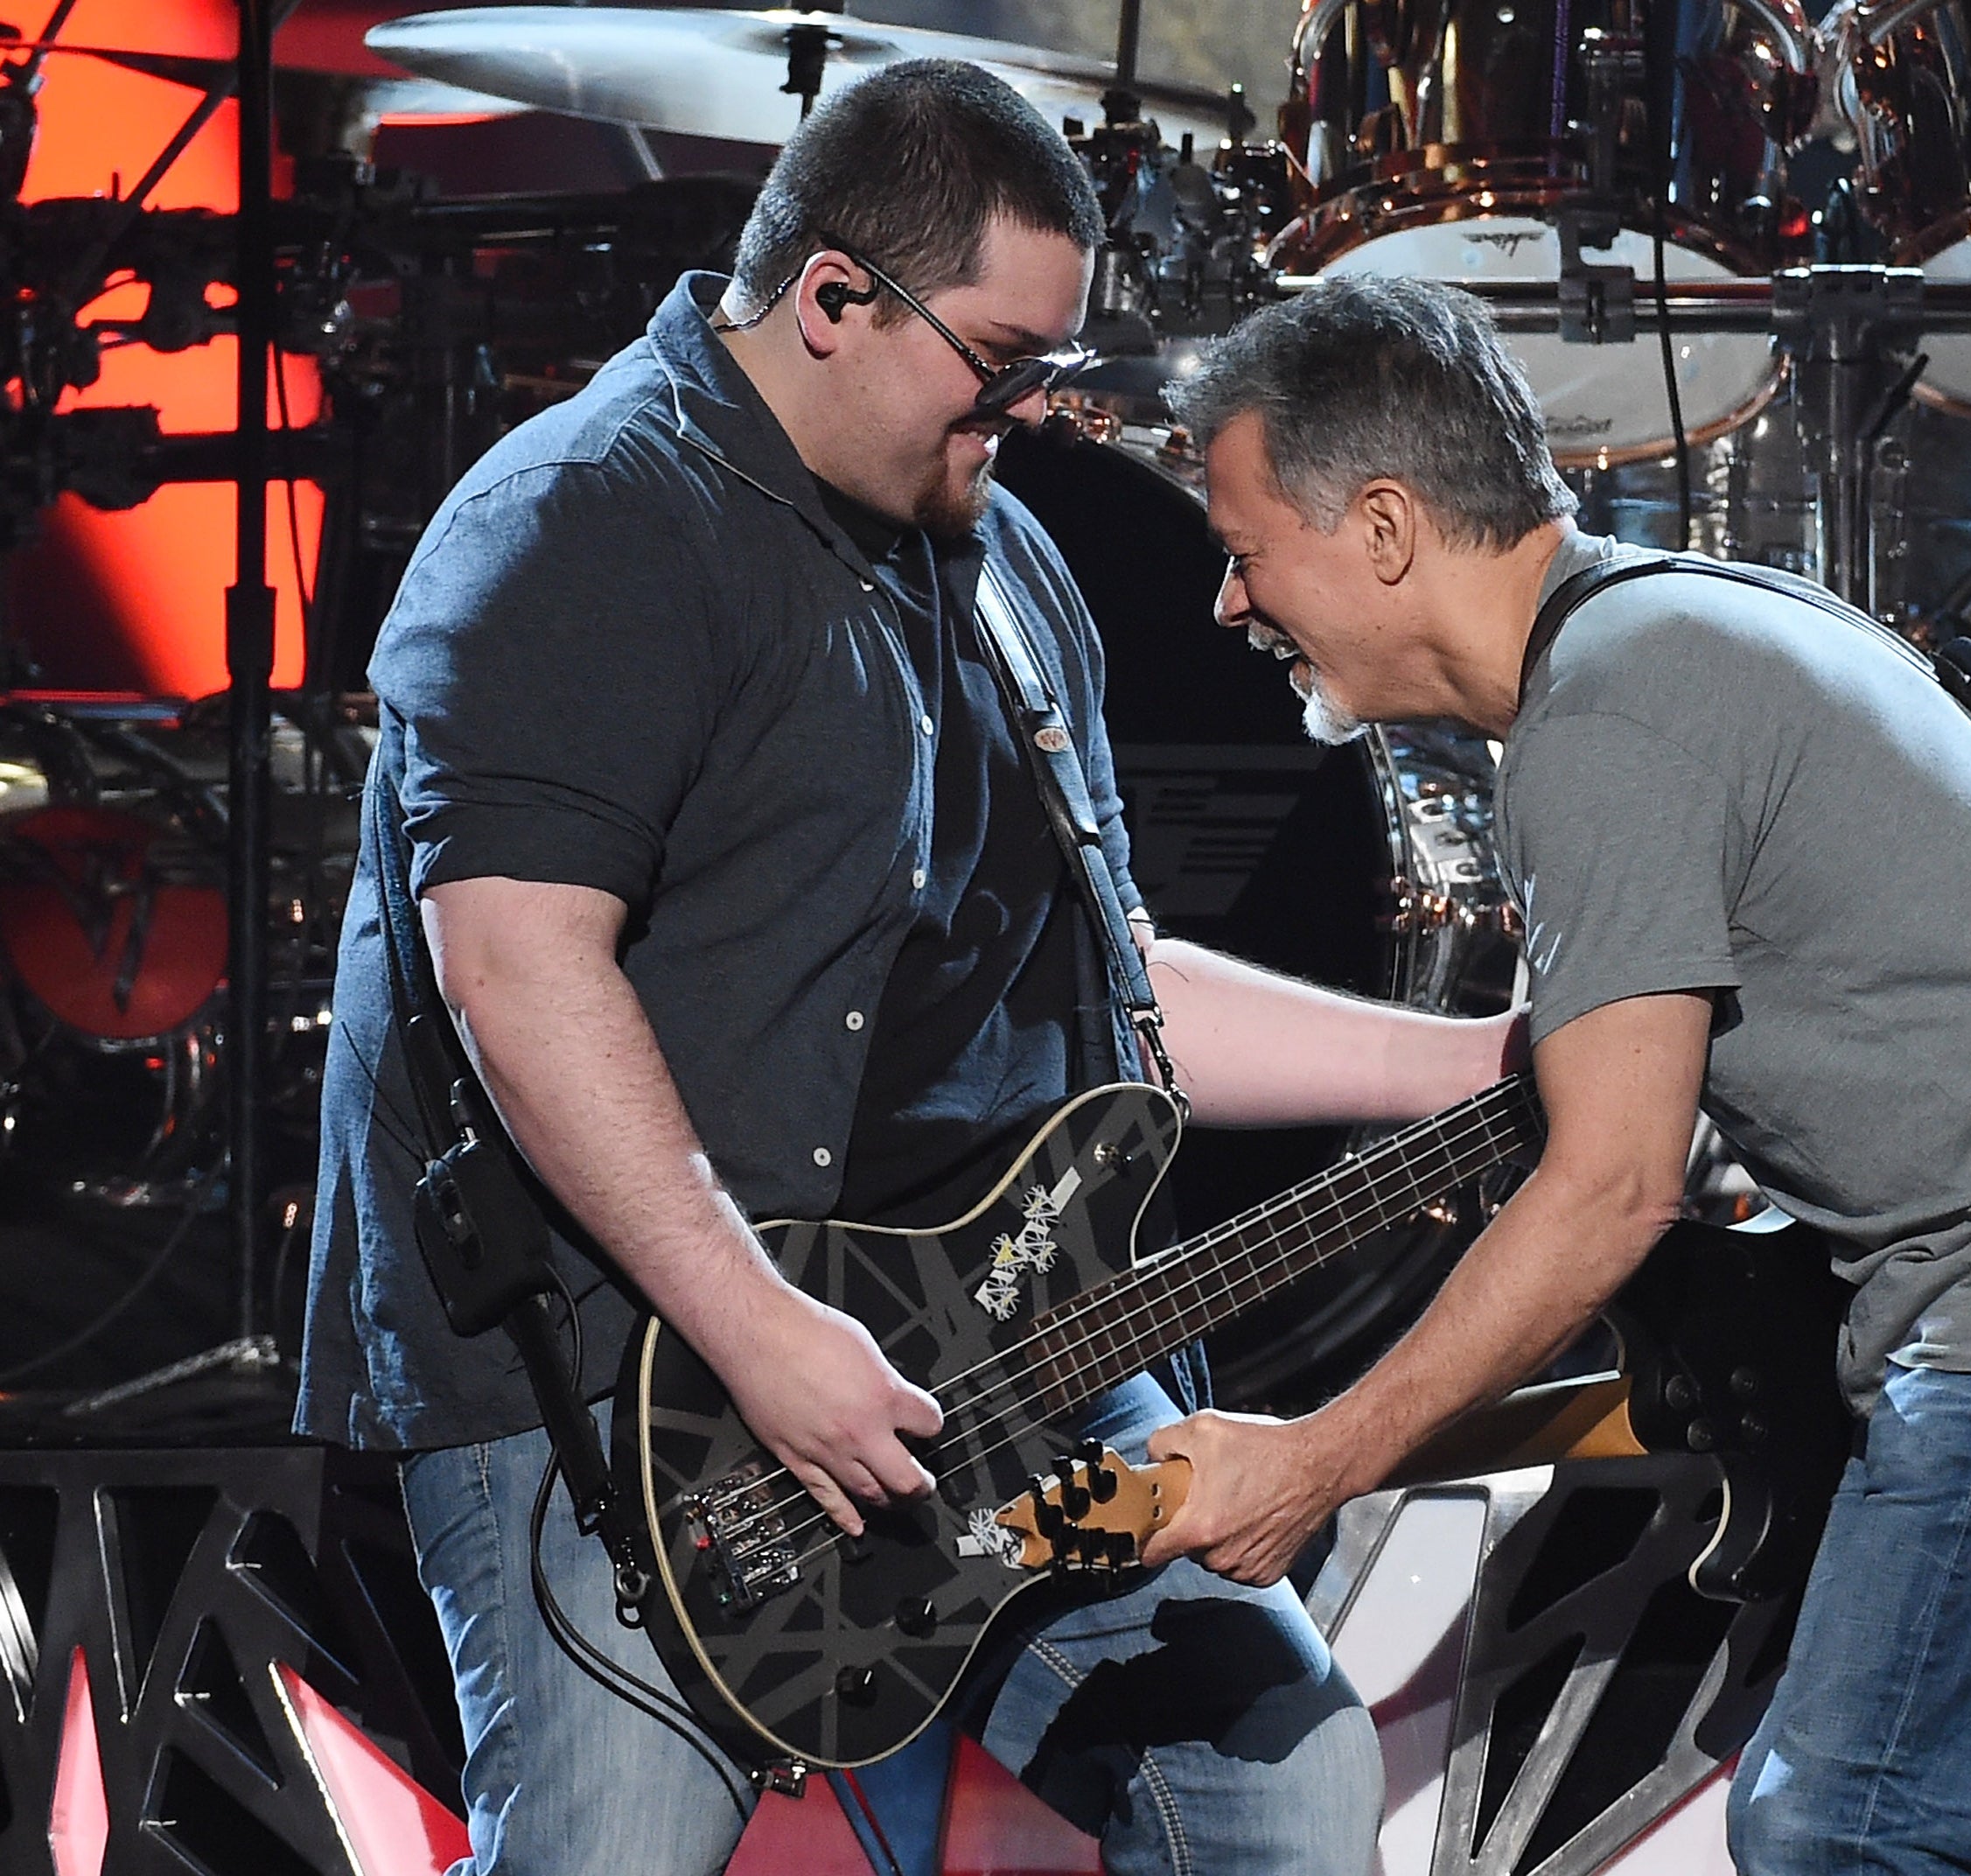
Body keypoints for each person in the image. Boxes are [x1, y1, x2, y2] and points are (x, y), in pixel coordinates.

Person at [298, 67, 1520, 1876]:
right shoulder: (577, 521)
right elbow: (517, 970)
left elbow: (1109, 999)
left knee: (1277, 1774)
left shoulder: (1008, 561)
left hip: (988, 1348)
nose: (1038, 406)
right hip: (632, 1379)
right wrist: (759, 1326)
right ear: (834, 298)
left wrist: (1469, 1063)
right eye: (1002, 358)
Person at [1146, 275, 1971, 1876]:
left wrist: (1317, 1462)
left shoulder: (1606, 716)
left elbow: (1617, 1186)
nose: (1231, 606)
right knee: (1847, 1823)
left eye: (1243, 552)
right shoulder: (1699, 610)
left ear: (1379, 527)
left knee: (1843, 1831)